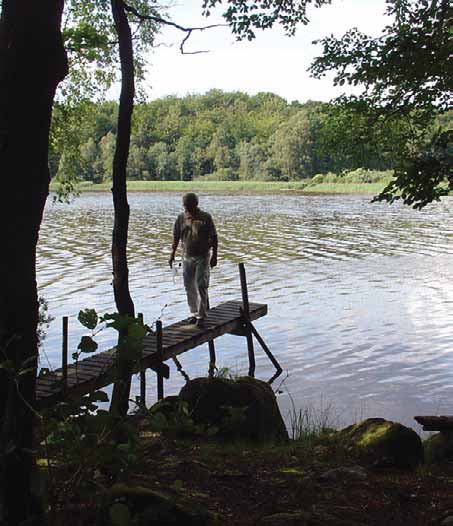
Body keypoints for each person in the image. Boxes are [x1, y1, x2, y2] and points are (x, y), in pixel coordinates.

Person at [169, 193, 218, 327]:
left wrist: (215, 255)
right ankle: (194, 313)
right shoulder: (181, 218)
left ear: (195, 204)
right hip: (187, 257)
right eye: (185, 206)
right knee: (189, 285)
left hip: (203, 256)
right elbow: (176, 237)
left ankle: (201, 316)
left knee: (201, 284)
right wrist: (172, 254)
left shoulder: (205, 218)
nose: (186, 208)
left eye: (188, 205)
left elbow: (214, 237)